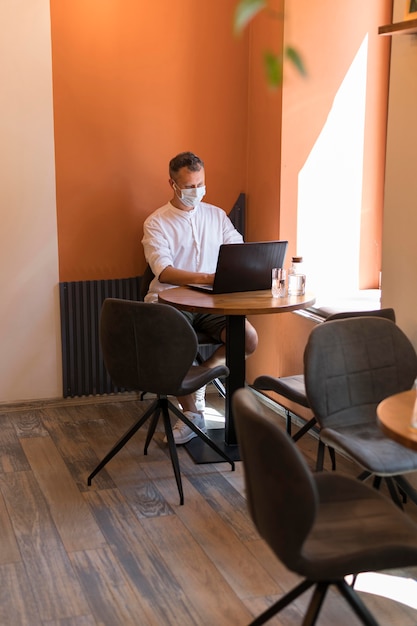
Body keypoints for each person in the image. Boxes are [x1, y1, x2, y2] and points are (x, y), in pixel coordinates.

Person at [142, 151, 258, 444]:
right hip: (170, 301)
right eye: (190, 186)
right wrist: (208, 277)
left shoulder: (216, 216)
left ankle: (199, 379)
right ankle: (192, 414)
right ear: (173, 184)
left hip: (210, 302)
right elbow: (164, 272)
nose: (197, 191)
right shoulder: (156, 222)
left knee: (247, 339)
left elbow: (237, 250)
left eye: (201, 184)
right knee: (169, 346)